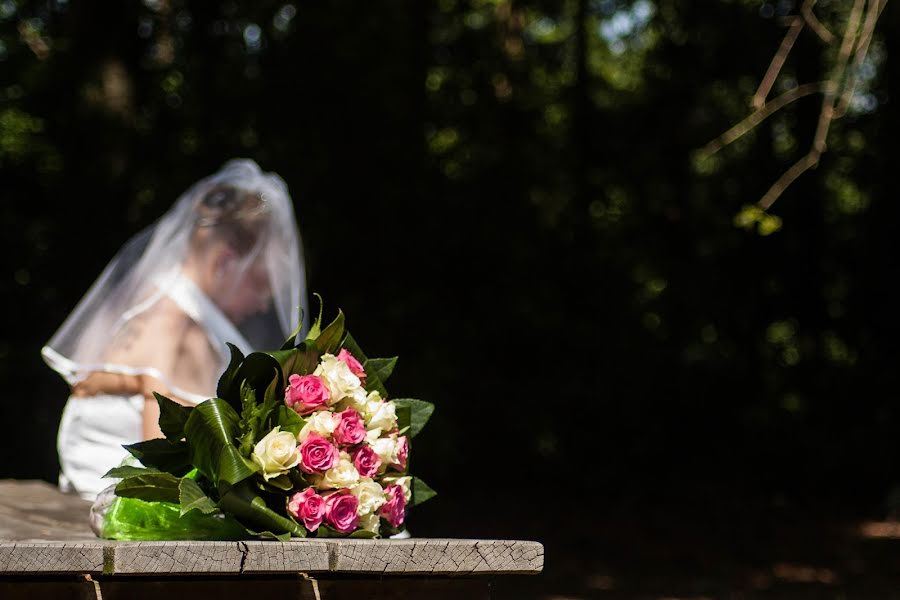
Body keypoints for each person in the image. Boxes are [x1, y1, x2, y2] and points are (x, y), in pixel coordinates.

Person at [42, 159, 308, 500]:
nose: (261, 306)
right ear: (226, 261)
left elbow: (85, 383)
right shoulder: (178, 326)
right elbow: (163, 467)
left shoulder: (149, 298)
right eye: (261, 285)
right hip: (116, 505)